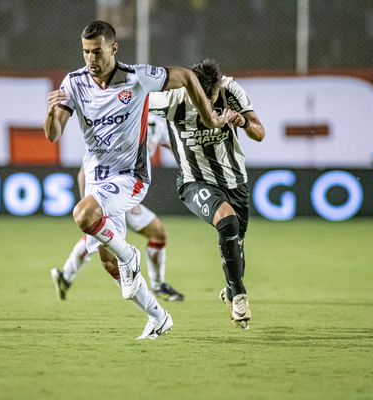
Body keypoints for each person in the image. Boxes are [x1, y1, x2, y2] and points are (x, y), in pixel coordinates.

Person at [44, 21, 228, 339]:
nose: (91, 58)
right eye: (86, 51)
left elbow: (185, 76)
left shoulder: (138, 77)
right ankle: (159, 318)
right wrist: (50, 113)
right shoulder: (73, 83)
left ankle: (130, 254)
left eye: (97, 51)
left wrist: (209, 116)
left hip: (130, 177)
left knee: (84, 216)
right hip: (95, 177)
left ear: (113, 49)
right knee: (108, 263)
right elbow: (53, 134)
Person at [149, 59, 265, 329]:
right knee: (228, 222)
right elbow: (131, 99)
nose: (208, 106)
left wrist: (243, 121)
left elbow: (260, 133)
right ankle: (239, 296)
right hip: (194, 180)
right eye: (202, 98)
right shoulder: (170, 100)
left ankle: (230, 290)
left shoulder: (231, 91)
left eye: (212, 99)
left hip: (234, 180)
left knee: (236, 243)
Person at [51, 114, 185, 303]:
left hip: (128, 195)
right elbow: (85, 171)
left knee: (150, 234)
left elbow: (177, 150)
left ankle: (66, 275)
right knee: (106, 247)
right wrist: (89, 207)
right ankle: (152, 297)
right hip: (113, 194)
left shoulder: (156, 121)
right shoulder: (119, 116)